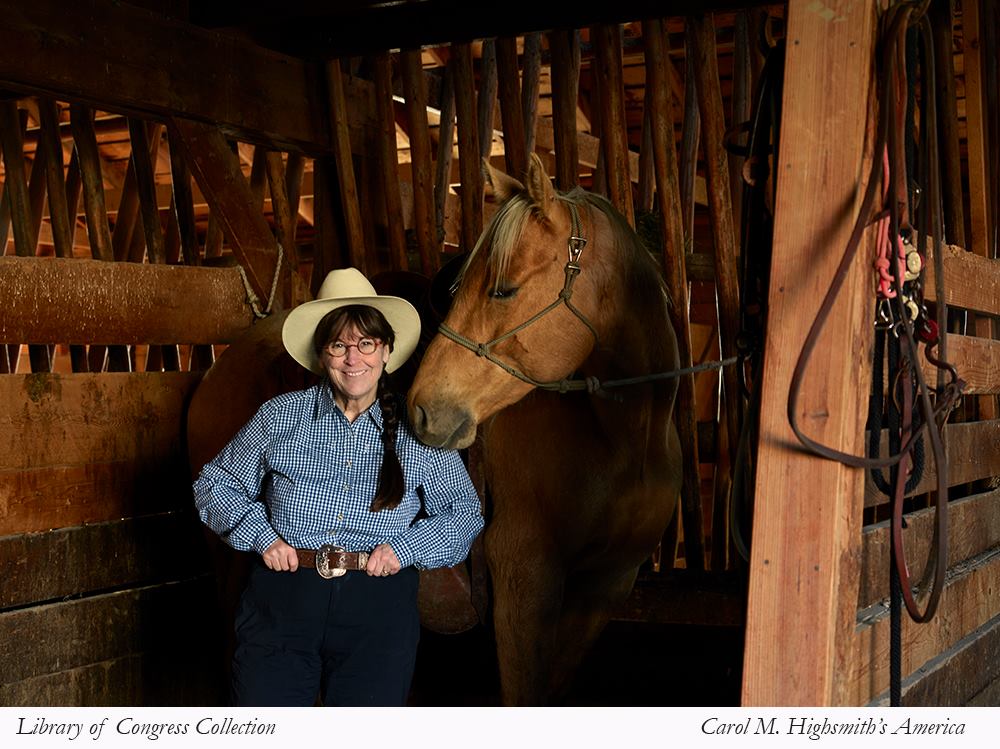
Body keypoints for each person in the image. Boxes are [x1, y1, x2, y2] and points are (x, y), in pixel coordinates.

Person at [192, 267, 484, 707]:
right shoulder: (280, 417)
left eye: (366, 343)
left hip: (378, 607)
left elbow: (464, 514)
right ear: (321, 353)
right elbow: (214, 484)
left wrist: (405, 549)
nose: (354, 359)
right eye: (339, 345)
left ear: (386, 351)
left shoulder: (415, 431)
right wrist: (262, 535)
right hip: (283, 601)